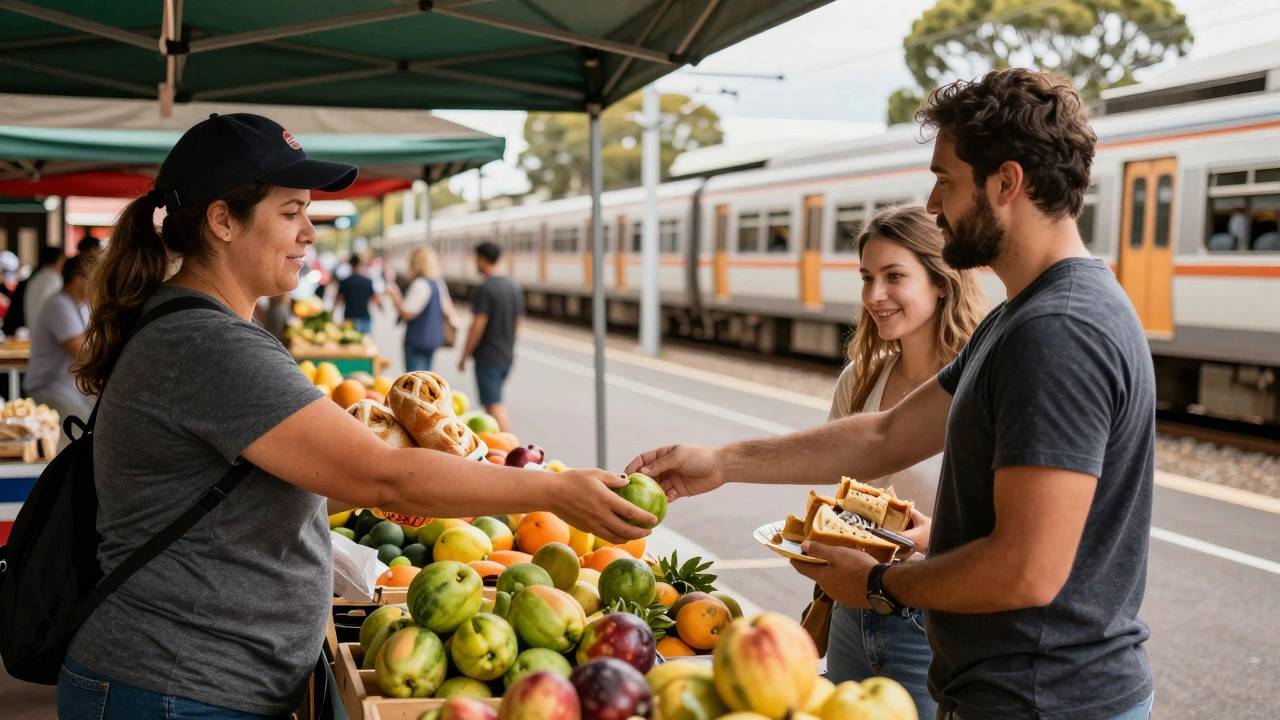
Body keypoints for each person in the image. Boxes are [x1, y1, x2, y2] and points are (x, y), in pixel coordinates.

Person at [59, 113, 652, 720]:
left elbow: (248, 489)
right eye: (290, 212)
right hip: (172, 691)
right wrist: (552, 490)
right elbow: (382, 473)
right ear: (222, 220)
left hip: (188, 683)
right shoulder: (210, 344)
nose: (310, 232)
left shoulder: (199, 328)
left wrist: (372, 495)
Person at [627, 69, 1156, 720]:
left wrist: (877, 584)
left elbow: (1028, 569)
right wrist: (722, 461)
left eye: (945, 179)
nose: (933, 205)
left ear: (1007, 183)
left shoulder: (1057, 331)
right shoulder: (1022, 317)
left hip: (1045, 702)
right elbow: (885, 434)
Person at [822, 204, 985, 716]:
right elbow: (841, 490)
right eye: (868, 277)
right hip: (852, 610)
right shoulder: (860, 377)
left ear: (942, 282)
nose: (874, 296)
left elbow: (1010, 528)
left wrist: (924, 537)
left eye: (895, 276)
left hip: (930, 619)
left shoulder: (982, 385)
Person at [25, 254, 95, 444]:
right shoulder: (59, 305)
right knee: (82, 433)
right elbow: (83, 354)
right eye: (95, 277)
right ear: (80, 278)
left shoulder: (82, 305)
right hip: (50, 389)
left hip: (72, 390)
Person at [458, 242, 522, 432]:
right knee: (490, 403)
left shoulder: (485, 289)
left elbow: (478, 324)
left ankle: (508, 447)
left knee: (494, 404)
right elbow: (517, 322)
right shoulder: (513, 287)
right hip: (506, 355)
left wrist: (465, 355)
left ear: (482, 259)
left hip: (488, 356)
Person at [387, 247, 455, 372]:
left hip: (417, 339)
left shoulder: (420, 284)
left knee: (415, 379)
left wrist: (396, 297)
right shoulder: (438, 283)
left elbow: (407, 313)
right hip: (433, 338)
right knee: (427, 377)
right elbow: (447, 310)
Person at [15, 245, 66, 333]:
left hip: (34, 332)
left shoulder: (35, 278)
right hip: (48, 333)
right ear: (59, 260)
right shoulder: (54, 279)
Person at [335, 254, 380, 334]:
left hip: (349, 317)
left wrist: (332, 312)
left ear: (350, 264)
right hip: (364, 316)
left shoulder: (345, 282)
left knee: (350, 343)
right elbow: (375, 299)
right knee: (365, 343)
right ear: (360, 264)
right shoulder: (367, 281)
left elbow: (339, 299)